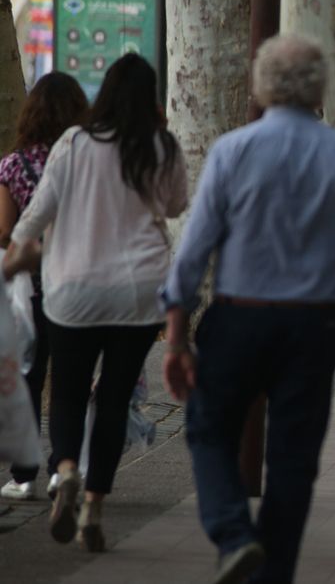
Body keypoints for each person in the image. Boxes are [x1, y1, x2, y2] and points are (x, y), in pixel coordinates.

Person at [158, 36, 335, 582]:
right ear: (320, 86)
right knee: (295, 457)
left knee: (209, 427)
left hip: (239, 318)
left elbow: (192, 254)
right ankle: (274, 572)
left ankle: (232, 531)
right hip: (313, 327)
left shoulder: (233, 151)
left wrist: (176, 337)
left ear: (261, 83)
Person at [2, 54, 188, 553]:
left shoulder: (74, 143)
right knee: (112, 401)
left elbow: (33, 218)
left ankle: (64, 470)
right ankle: (94, 508)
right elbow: (174, 206)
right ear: (151, 99)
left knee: (65, 391)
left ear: (102, 95)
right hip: (137, 295)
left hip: (73, 292)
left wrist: (16, 255)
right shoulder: (161, 146)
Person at [0, 73, 88, 502]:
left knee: (29, 377)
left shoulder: (12, 165)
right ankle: (64, 468)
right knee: (71, 380)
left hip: (30, 289)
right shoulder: (84, 160)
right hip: (76, 285)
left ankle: (25, 474)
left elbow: (4, 231)